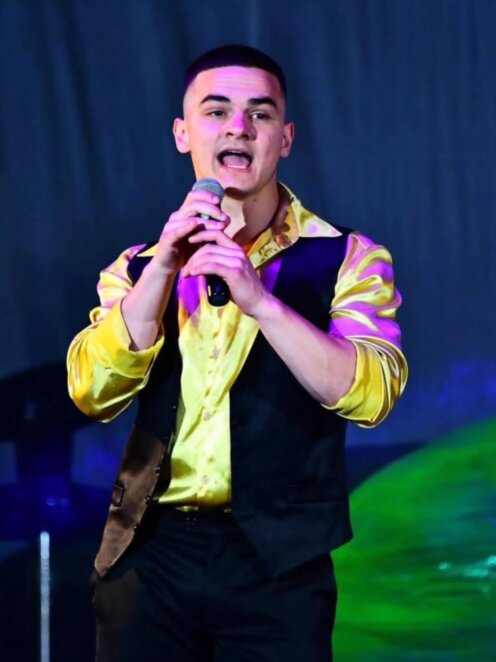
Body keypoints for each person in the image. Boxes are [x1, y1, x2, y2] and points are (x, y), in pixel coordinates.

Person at [67, 44, 407, 662]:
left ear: (285, 138)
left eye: (260, 113)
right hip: (152, 552)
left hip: (279, 562)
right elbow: (92, 391)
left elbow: (371, 395)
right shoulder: (137, 268)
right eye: (217, 111)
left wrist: (261, 302)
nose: (239, 128)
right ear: (183, 134)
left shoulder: (347, 257)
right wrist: (163, 270)